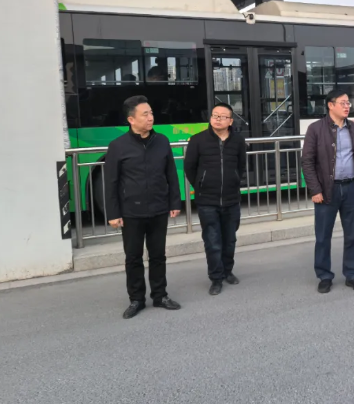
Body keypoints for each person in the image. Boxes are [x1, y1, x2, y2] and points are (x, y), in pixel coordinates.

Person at [104, 96, 182, 319]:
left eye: (151, 113)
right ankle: (136, 299)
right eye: (145, 114)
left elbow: (171, 174)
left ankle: (160, 295)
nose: (150, 118)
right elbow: (111, 182)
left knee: (158, 255)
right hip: (131, 212)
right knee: (133, 257)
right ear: (131, 119)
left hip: (158, 208)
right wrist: (114, 213)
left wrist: (174, 202)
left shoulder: (162, 141)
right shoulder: (118, 146)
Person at [302, 89, 354, 294]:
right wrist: (315, 189)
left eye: (348, 103)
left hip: (350, 188)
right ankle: (324, 276)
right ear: (330, 105)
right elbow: (307, 162)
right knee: (323, 236)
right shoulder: (316, 129)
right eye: (343, 103)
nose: (347, 106)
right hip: (326, 190)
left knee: (353, 235)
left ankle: (353, 274)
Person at [184, 103, 247, 296]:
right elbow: (189, 167)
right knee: (212, 241)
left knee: (230, 240)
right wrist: (201, 185)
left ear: (231, 121)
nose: (218, 119)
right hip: (207, 201)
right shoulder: (198, 140)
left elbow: (241, 166)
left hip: (231, 199)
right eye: (215, 115)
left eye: (222, 116)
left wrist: (233, 181)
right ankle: (216, 278)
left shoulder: (238, 141)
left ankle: (228, 271)